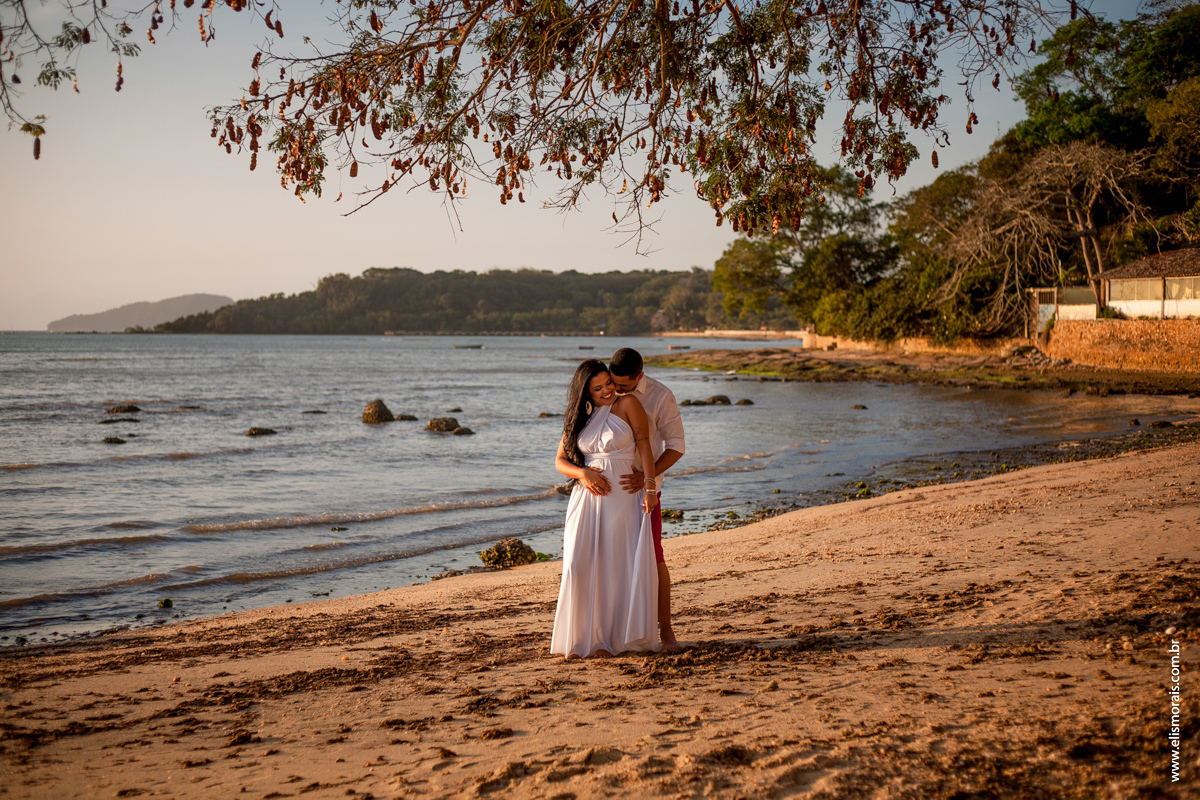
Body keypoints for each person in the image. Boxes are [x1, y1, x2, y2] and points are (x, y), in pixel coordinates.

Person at [550, 359, 661, 660]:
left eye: (608, 384)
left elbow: (645, 446)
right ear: (585, 391)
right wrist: (583, 474)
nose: (606, 391)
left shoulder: (628, 405)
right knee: (578, 564)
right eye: (597, 388)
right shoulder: (580, 417)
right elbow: (560, 461)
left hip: (623, 498)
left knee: (615, 567)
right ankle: (580, 639)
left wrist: (649, 488)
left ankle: (608, 641)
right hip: (586, 499)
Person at [608, 348, 685, 653]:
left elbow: (676, 446)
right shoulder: (604, 389)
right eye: (614, 383)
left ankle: (666, 633)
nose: (616, 391)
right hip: (607, 495)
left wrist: (647, 479)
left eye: (623, 386)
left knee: (654, 559)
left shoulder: (659, 395)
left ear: (639, 376)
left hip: (642, 493)